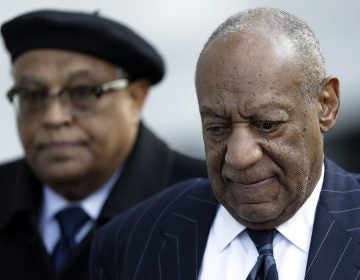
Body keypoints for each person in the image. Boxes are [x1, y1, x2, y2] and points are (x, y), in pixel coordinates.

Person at [89, 7, 360, 280]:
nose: (239, 156)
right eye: (217, 128)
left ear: (327, 105)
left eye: (267, 124)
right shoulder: (128, 243)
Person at [0, 9, 207, 280]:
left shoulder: (208, 202)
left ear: (136, 98)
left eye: (82, 93)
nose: (53, 117)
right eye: (32, 95)